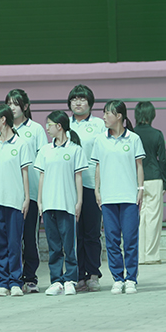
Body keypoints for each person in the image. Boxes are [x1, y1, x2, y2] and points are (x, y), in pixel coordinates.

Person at [91, 100, 145, 295]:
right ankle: (117, 278)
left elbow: (139, 166)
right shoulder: (100, 140)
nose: (104, 117)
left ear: (119, 116)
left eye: (108, 113)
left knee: (130, 239)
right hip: (108, 197)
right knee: (112, 240)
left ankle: (131, 278)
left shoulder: (134, 139)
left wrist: (140, 188)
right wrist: (97, 190)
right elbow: (98, 167)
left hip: (129, 196)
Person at [0, 104, 33, 297]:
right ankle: (3, 282)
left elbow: (24, 173)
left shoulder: (21, 144)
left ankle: (16, 281)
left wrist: (26, 197)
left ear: (3, 120)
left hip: (14, 200)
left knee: (14, 243)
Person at [34, 111, 87, 296]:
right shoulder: (45, 150)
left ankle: (70, 279)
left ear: (59, 126)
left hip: (67, 203)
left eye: (49, 124)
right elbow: (42, 176)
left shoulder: (75, 150)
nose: (47, 128)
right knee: (54, 246)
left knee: (69, 245)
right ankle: (56, 280)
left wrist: (79, 201)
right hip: (49, 204)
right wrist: (40, 201)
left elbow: (78, 177)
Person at [3, 89, 47, 294]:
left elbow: (44, 159)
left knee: (29, 237)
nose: (12, 107)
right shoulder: (2, 129)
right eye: (9, 103)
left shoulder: (36, 129)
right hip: (9, 193)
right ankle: (12, 278)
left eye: (16, 103)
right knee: (11, 239)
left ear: (26, 106)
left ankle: (30, 277)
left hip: (32, 192)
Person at [67, 84, 106, 292]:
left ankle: (93, 274)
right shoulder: (65, 124)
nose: (78, 103)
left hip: (91, 183)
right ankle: (78, 274)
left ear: (90, 103)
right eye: (74, 99)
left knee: (91, 232)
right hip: (70, 186)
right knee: (75, 233)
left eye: (82, 99)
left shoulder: (99, 124)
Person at [133, 101, 166, 265]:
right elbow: (162, 160)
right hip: (154, 178)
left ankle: (139, 255)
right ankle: (151, 255)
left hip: (135, 179)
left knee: (138, 217)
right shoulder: (157, 134)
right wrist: (165, 183)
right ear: (152, 115)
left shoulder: (131, 134)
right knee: (153, 217)